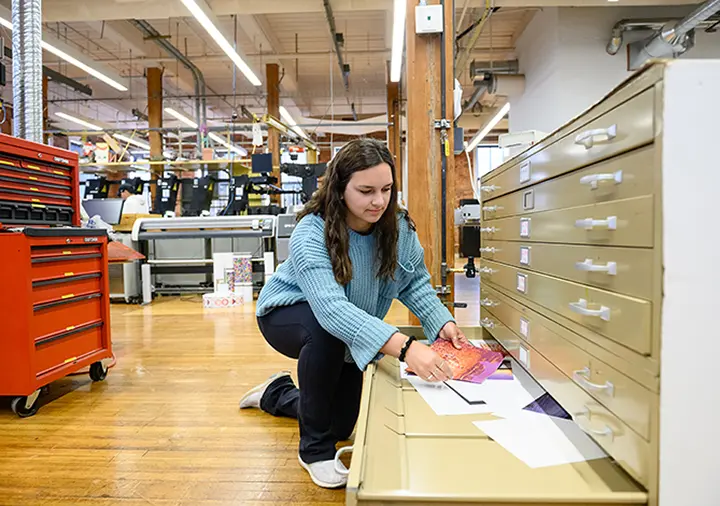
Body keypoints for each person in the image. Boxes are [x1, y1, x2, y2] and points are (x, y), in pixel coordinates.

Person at [238, 138, 468, 489]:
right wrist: (407, 349)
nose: (378, 201)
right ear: (340, 188)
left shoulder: (399, 228)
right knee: (325, 333)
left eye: (387, 189)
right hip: (287, 314)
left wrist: (443, 323)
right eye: (366, 191)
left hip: (346, 323)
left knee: (342, 424)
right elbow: (330, 310)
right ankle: (313, 450)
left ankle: (276, 392)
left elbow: (415, 283)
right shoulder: (311, 232)